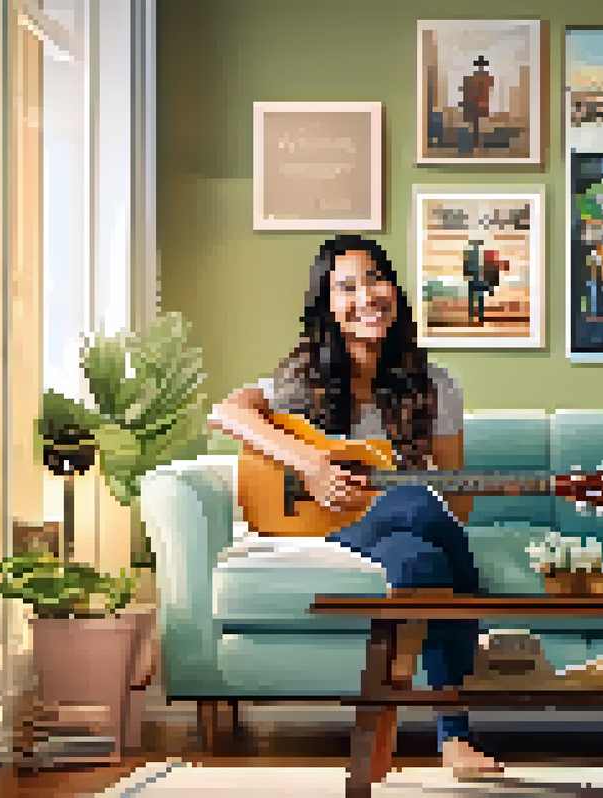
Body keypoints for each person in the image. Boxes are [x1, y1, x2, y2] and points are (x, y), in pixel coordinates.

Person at [207, 234, 503, 779]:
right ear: (327, 306)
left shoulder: (435, 387)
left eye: (374, 279)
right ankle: (475, 662)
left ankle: (453, 739)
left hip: (400, 528)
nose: (365, 295)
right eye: (346, 287)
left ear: (394, 289)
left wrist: (437, 490)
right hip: (323, 528)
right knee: (413, 499)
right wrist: (311, 465)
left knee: (423, 561)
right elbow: (226, 412)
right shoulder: (304, 379)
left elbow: (453, 507)